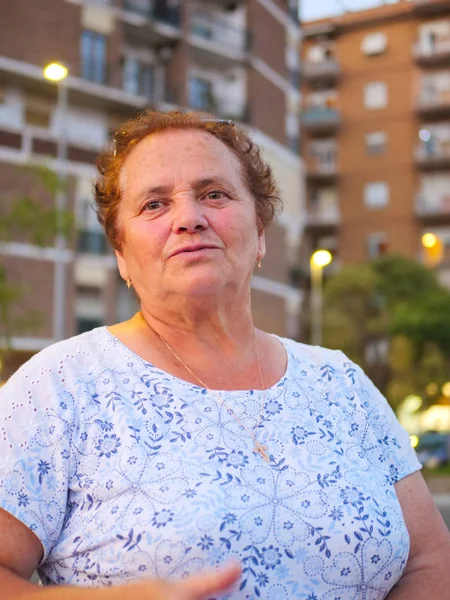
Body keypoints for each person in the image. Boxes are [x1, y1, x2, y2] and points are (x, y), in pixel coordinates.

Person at [0, 110, 449, 600]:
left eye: (214, 194)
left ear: (259, 233)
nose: (189, 218)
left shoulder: (342, 383)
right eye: (154, 204)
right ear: (122, 255)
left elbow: (430, 560)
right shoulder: (58, 386)